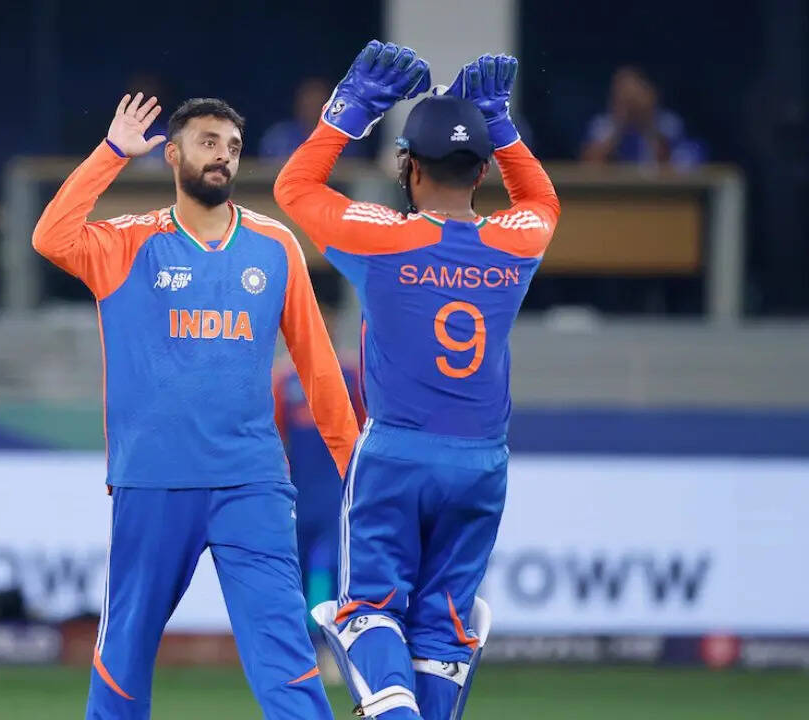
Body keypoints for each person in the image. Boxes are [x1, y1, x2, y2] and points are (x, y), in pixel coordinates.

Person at [32, 92, 359, 720]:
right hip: (154, 480)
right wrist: (111, 154)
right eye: (208, 142)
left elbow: (319, 369)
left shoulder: (275, 245)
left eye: (232, 146)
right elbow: (51, 238)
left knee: (287, 655)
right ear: (173, 155)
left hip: (254, 483)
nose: (223, 156)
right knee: (124, 653)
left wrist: (355, 473)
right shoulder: (129, 243)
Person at [275, 43, 560, 720]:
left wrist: (349, 111)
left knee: (368, 609)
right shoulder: (517, 242)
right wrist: (500, 124)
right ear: (483, 169)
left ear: (408, 167)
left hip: (396, 454)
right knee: (445, 623)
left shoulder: (382, 238)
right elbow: (541, 200)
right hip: (482, 462)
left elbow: (295, 189)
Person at [272, 304, 365, 618]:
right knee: (293, 569)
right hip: (298, 492)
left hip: (338, 494)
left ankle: (338, 634)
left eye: (328, 325)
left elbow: (366, 430)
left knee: (342, 568)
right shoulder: (284, 379)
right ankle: (298, 638)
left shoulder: (352, 374)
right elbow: (274, 436)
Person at [581, 65, 687, 166]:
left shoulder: (668, 123)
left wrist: (647, 122)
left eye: (634, 95)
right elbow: (589, 165)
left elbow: (675, 165)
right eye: (623, 94)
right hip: (617, 179)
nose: (631, 103)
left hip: (655, 178)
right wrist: (620, 124)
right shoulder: (602, 125)